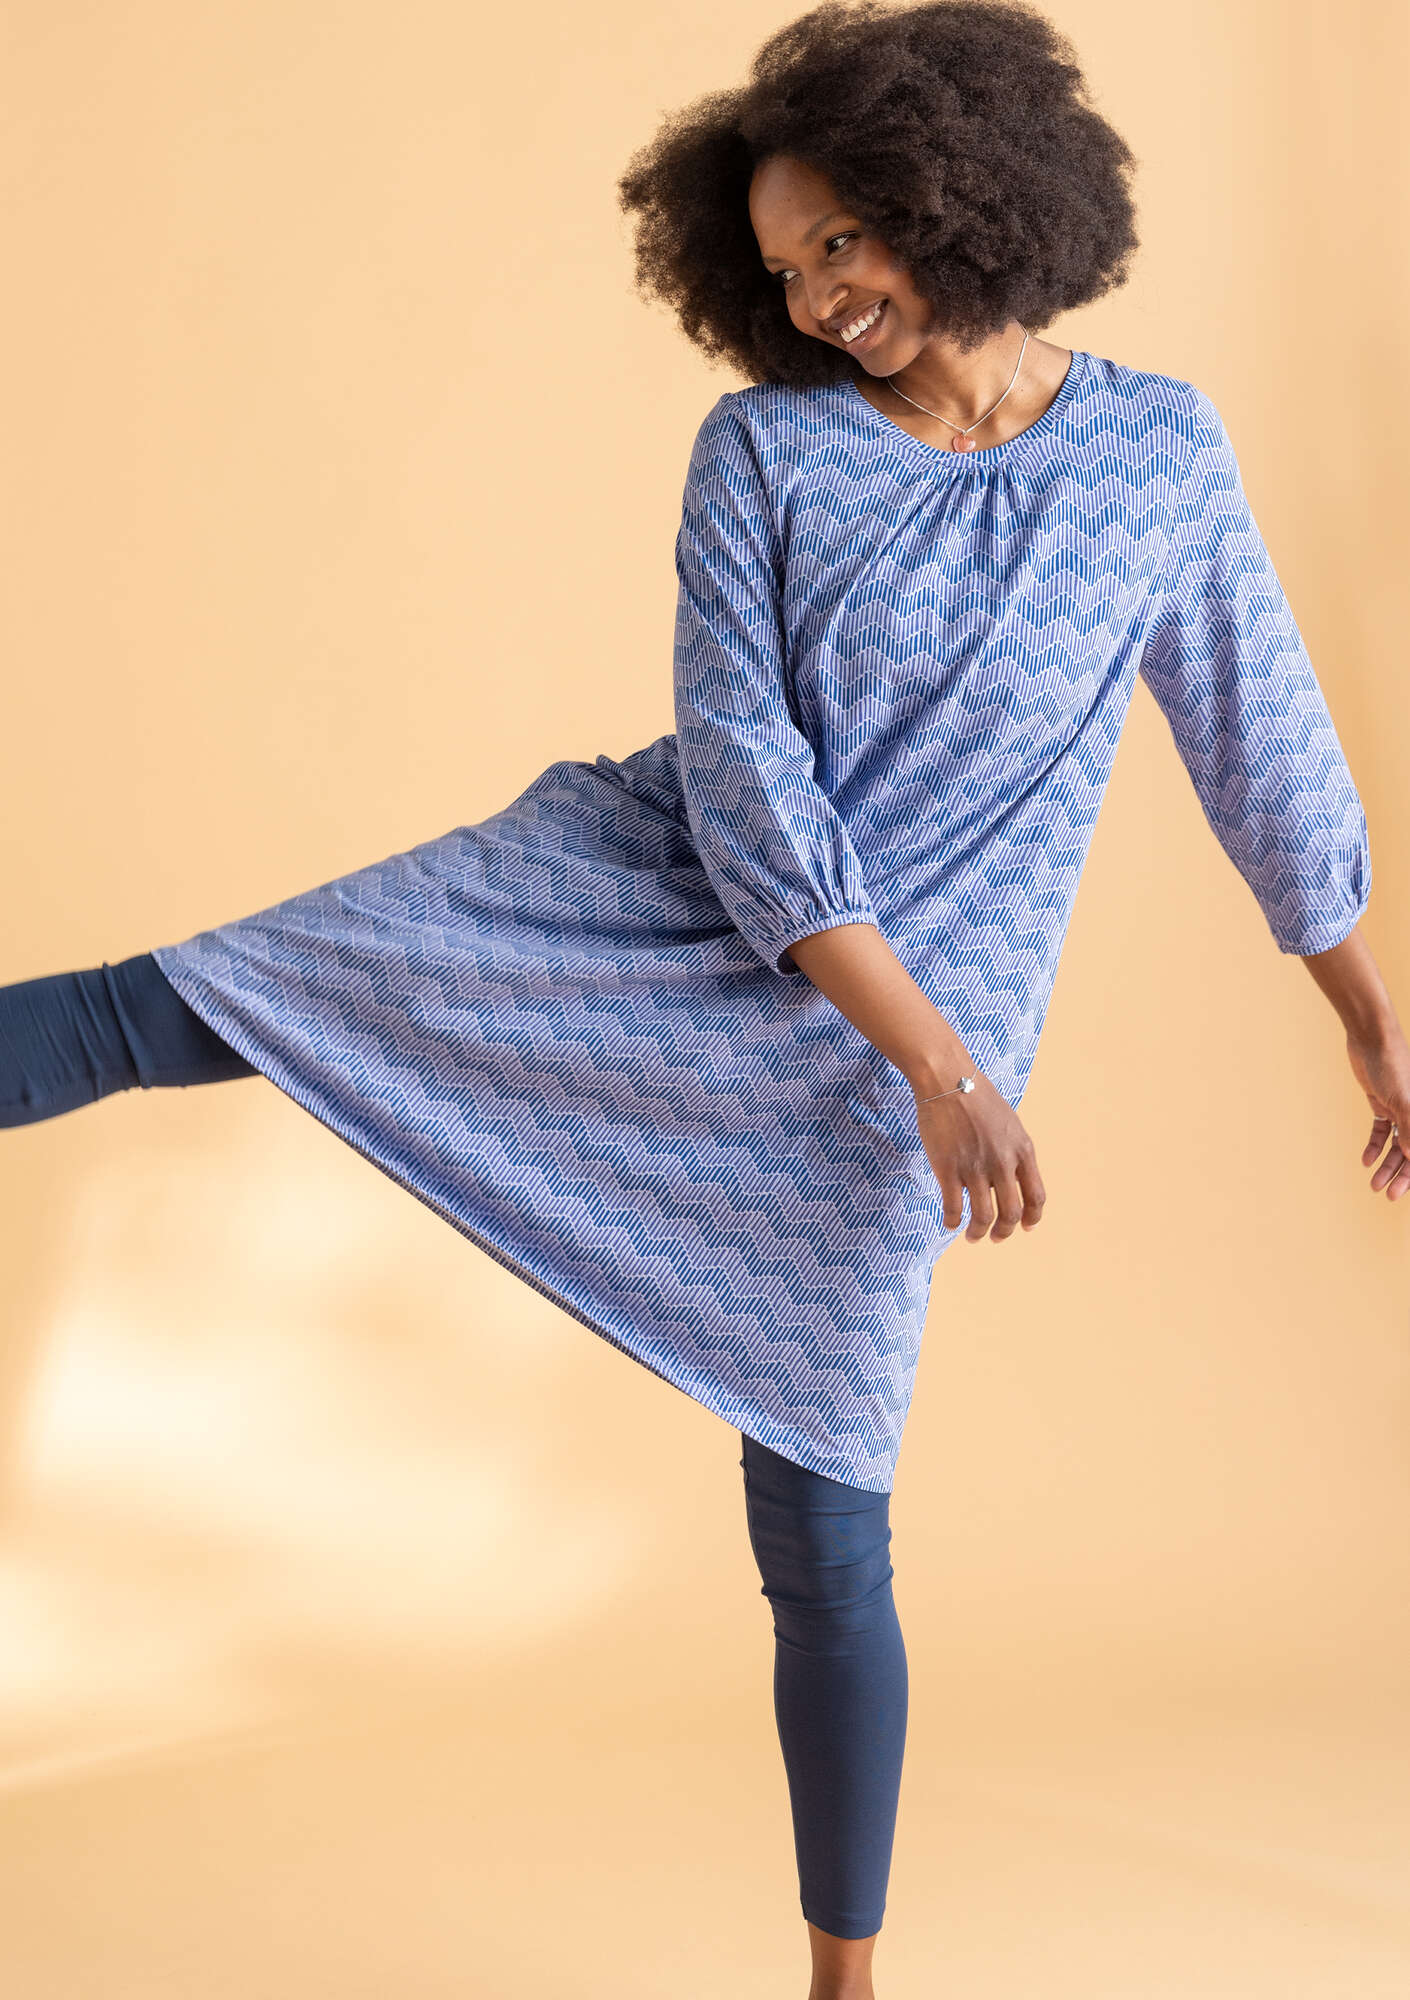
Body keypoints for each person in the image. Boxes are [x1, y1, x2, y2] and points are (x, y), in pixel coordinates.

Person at [4, 3, 1406, 1995]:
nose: (819, 296)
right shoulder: (766, 452)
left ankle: (843, 1983)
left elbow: (1261, 743)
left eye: (844, 238)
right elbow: (746, 783)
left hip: (875, 1069)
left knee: (825, 1527)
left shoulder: (1159, 457)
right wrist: (938, 1062)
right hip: (661, 918)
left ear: (961, 194)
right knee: (189, 1006)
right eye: (782, 268)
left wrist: (1365, 1014)